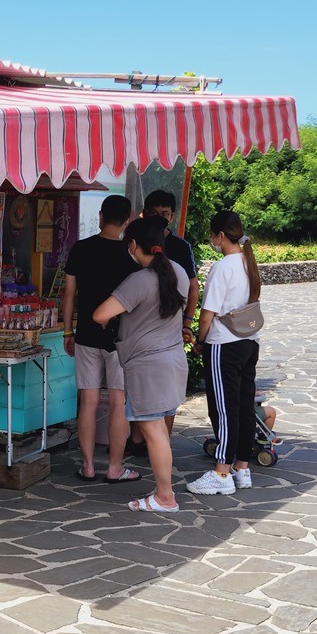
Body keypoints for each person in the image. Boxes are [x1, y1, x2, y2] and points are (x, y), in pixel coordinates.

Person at [93, 216, 188, 512]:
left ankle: (165, 497)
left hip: (148, 365)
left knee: (154, 432)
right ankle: (163, 492)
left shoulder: (140, 280)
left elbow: (100, 314)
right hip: (172, 360)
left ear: (134, 245)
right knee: (158, 430)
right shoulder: (179, 273)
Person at [62, 195, 141, 484]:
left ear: (100, 216)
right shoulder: (131, 255)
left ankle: (87, 466)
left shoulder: (81, 249)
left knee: (89, 400)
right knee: (119, 402)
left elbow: (69, 293)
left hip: (85, 333)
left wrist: (68, 331)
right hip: (121, 338)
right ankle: (115, 468)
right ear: (129, 219)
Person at [187, 210, 262, 495]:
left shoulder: (223, 267)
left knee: (223, 408)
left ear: (219, 235)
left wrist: (200, 340)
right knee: (242, 406)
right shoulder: (248, 262)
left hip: (224, 343)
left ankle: (221, 472)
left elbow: (208, 314)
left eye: (211, 235)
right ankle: (242, 468)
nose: (211, 241)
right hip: (249, 341)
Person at [124, 189, 199, 455]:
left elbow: (193, 287)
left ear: (173, 215)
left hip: (168, 329)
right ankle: (136, 440)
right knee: (137, 388)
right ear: (144, 214)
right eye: (155, 214)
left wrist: (187, 322)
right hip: (138, 332)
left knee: (167, 394)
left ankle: (161, 443)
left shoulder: (180, 247)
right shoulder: (135, 246)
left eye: (165, 214)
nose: (161, 218)